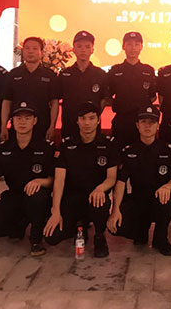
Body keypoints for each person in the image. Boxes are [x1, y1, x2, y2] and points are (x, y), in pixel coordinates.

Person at [0, 102, 54, 256]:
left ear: (35, 121)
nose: (22, 122)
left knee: (36, 197)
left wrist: (39, 181)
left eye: (27, 118)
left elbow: (53, 180)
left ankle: (36, 238)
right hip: (13, 197)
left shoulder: (46, 147)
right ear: (12, 121)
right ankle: (18, 224)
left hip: (38, 199)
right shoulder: (3, 148)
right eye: (18, 118)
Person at [44, 102, 118, 257]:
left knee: (99, 201)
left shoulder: (108, 144)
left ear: (98, 120)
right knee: (52, 237)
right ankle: (79, 226)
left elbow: (111, 178)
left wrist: (100, 189)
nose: (87, 123)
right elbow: (59, 181)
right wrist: (56, 211)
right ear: (77, 121)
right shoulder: (66, 145)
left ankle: (99, 236)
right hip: (72, 199)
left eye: (91, 118)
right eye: (83, 118)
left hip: (95, 198)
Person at [107, 105, 171, 256]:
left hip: (159, 199)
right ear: (137, 125)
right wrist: (115, 210)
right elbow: (121, 181)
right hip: (138, 200)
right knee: (118, 228)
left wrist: (167, 187)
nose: (147, 126)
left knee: (168, 200)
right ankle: (141, 230)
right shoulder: (129, 151)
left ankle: (160, 238)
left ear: (158, 126)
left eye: (152, 122)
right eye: (144, 122)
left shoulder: (167, 150)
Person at [1, 36, 58, 143]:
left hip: (42, 126)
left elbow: (54, 103)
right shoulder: (13, 74)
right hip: (18, 126)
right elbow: (7, 101)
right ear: (23, 52)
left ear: (42, 52)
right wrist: (3, 125)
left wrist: (52, 126)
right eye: (27, 48)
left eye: (35, 48)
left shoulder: (50, 75)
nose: (30, 51)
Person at [56, 31, 108, 138]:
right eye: (79, 46)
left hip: (92, 127)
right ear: (74, 49)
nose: (83, 50)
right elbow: (55, 99)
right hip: (69, 124)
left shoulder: (101, 74)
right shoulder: (65, 74)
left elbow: (104, 99)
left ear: (92, 50)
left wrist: (93, 115)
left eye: (87, 46)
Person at [108, 32, 157, 147]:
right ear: (123, 46)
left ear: (141, 47)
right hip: (122, 121)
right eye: (129, 44)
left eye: (136, 44)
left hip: (142, 123)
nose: (133, 48)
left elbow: (152, 96)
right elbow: (108, 96)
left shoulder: (148, 71)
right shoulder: (115, 71)